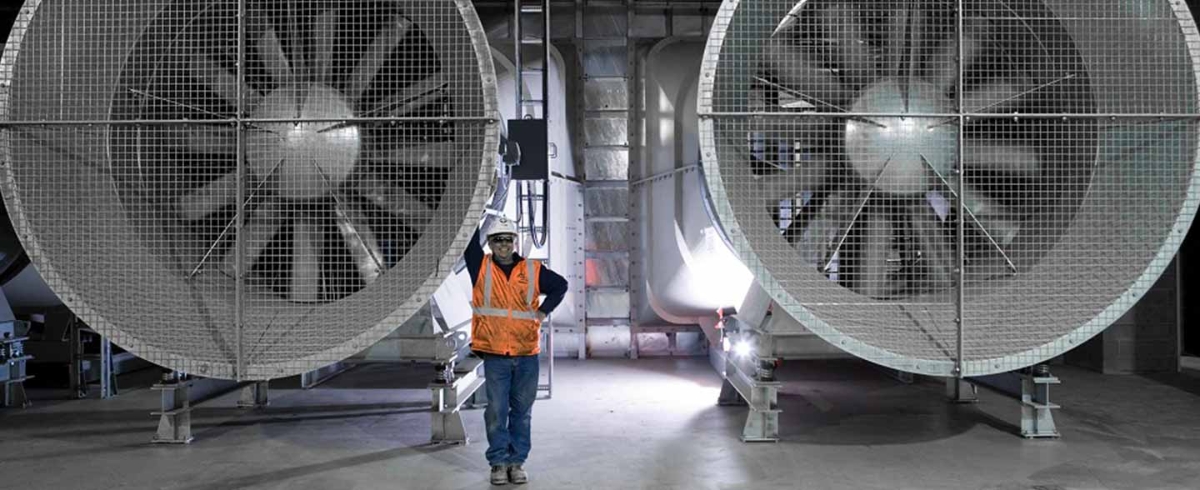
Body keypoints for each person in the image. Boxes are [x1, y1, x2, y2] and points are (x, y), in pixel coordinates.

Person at [464, 216, 568, 486]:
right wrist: (473, 208)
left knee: (522, 412)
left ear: (514, 241)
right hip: (495, 354)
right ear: (489, 243)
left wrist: (543, 311)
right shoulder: (480, 266)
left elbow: (561, 286)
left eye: (507, 239)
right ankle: (498, 462)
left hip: (526, 354)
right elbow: (468, 239)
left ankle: (516, 462)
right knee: (497, 411)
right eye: (497, 240)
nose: (503, 245)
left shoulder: (532, 270)